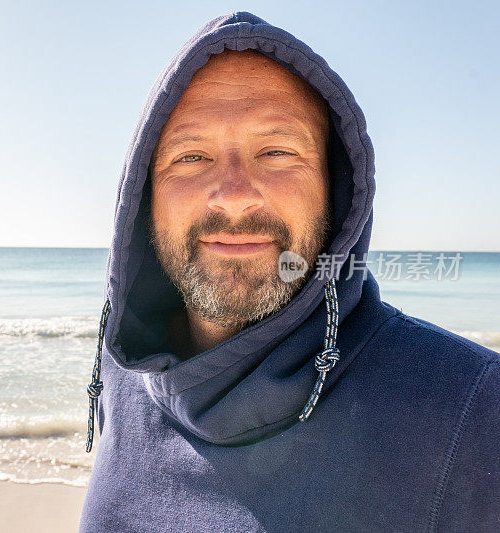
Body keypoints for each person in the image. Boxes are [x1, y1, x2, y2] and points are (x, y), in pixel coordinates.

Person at [79, 12, 500, 532]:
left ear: (337, 190)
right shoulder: (127, 369)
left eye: (277, 152)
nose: (233, 196)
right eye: (190, 157)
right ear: (144, 200)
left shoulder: (477, 417)